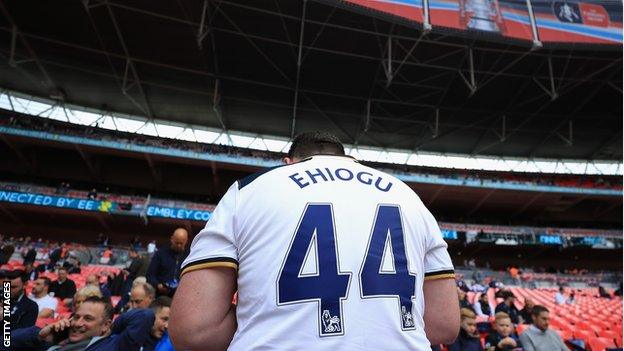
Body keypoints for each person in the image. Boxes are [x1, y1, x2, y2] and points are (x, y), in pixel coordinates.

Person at [170, 131, 460, 350]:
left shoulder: (249, 190)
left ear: (287, 163)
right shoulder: (408, 196)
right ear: (349, 158)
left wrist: (262, 312)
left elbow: (196, 330)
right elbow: (443, 325)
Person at [11, 296, 155, 351]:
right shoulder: (53, 342)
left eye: (88, 319)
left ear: (106, 325)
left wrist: (111, 329)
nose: (78, 323)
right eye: (76, 317)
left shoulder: (115, 346)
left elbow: (144, 315)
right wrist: (38, 336)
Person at [147, 228, 188, 297]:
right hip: (161, 294)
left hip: (181, 294)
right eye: (177, 242)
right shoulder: (160, 253)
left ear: (186, 241)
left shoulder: (189, 256)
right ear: (172, 239)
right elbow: (150, 275)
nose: (179, 245)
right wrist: (157, 285)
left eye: (181, 243)